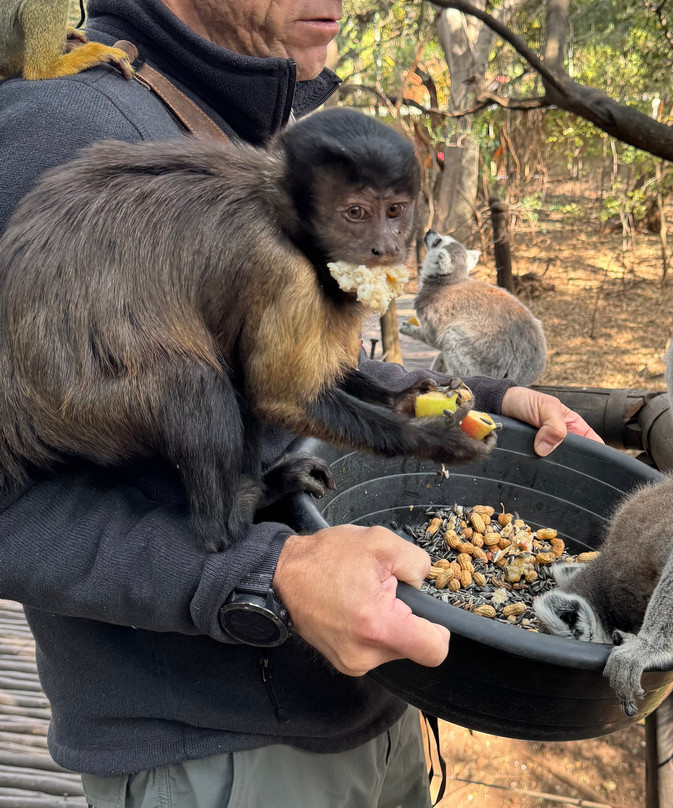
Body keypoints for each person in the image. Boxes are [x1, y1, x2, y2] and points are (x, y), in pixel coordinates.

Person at [0, 1, 602, 806]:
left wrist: (469, 401)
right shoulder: (60, 123)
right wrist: (262, 576)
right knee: (201, 400)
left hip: (371, 707)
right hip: (222, 754)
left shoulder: (250, 126)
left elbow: (298, 356)